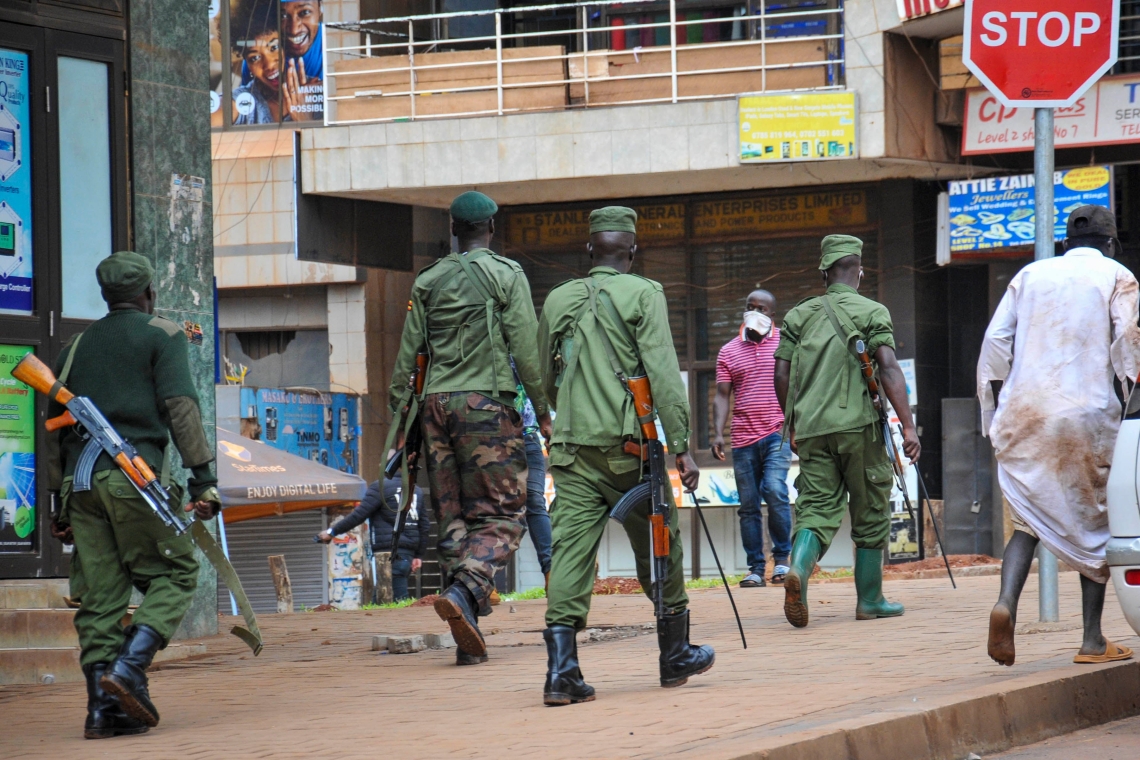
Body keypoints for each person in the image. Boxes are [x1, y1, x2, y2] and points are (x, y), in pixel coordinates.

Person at [536, 206, 712, 707]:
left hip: (571, 451)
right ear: (633, 252)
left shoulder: (558, 298)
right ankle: (674, 655)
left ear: (589, 250)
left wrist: (568, 412)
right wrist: (681, 446)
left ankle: (561, 674)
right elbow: (661, 370)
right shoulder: (644, 293)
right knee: (661, 542)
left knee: (570, 551)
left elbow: (545, 375)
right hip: (630, 452)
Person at [46, 251, 221, 738]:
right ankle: (129, 667)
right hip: (134, 478)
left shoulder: (76, 346)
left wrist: (55, 500)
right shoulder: (161, 334)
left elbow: (54, 429)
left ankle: (101, 712)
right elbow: (181, 407)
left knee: (100, 598)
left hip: (81, 485)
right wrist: (204, 477)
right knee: (178, 570)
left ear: (105, 296)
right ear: (149, 293)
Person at [388, 190, 550, 666]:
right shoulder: (506, 274)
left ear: (453, 231)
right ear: (491, 230)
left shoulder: (430, 280)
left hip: (434, 407)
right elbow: (525, 347)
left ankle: (469, 633)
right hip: (486, 404)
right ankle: (463, 595)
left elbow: (408, 355)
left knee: (453, 515)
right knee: (502, 513)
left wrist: (402, 419)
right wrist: (542, 407)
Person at [978, 205, 1140, 667]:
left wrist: (994, 410)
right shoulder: (1117, 275)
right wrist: (1130, 392)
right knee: (1098, 520)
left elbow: (995, 345)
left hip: (1025, 412)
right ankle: (1092, 641)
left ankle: (1005, 602)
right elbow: (1127, 340)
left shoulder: (1030, 275)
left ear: (1066, 243)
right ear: (1110, 242)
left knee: (1029, 516)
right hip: (1087, 415)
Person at [773, 234, 919, 629]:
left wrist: (793, 424)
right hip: (859, 428)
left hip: (813, 429)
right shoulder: (871, 310)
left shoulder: (798, 316)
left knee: (816, 507)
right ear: (859, 271)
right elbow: (888, 367)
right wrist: (908, 426)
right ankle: (870, 600)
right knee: (870, 508)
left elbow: (781, 372)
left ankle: (799, 570)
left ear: (823, 273)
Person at [713, 289, 792, 587]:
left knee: (774, 490)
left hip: (777, 431)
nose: (754, 311)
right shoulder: (729, 351)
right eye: (750, 306)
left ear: (772, 314)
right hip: (743, 438)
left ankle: (782, 560)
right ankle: (756, 568)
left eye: (761, 308)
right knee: (748, 505)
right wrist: (718, 433)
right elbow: (722, 396)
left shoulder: (787, 342)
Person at [317, 476, 429, 601]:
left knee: (399, 600)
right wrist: (418, 555)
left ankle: (411, 620)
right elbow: (424, 525)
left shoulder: (380, 487)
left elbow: (359, 515)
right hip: (407, 555)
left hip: (388, 553)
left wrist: (332, 531)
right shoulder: (415, 490)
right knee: (380, 599)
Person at [230, 0, 316, 124]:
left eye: (274, 48)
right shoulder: (242, 100)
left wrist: (305, 119)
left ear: (284, 46)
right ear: (247, 63)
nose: (269, 65)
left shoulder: (316, 92)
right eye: (254, 58)